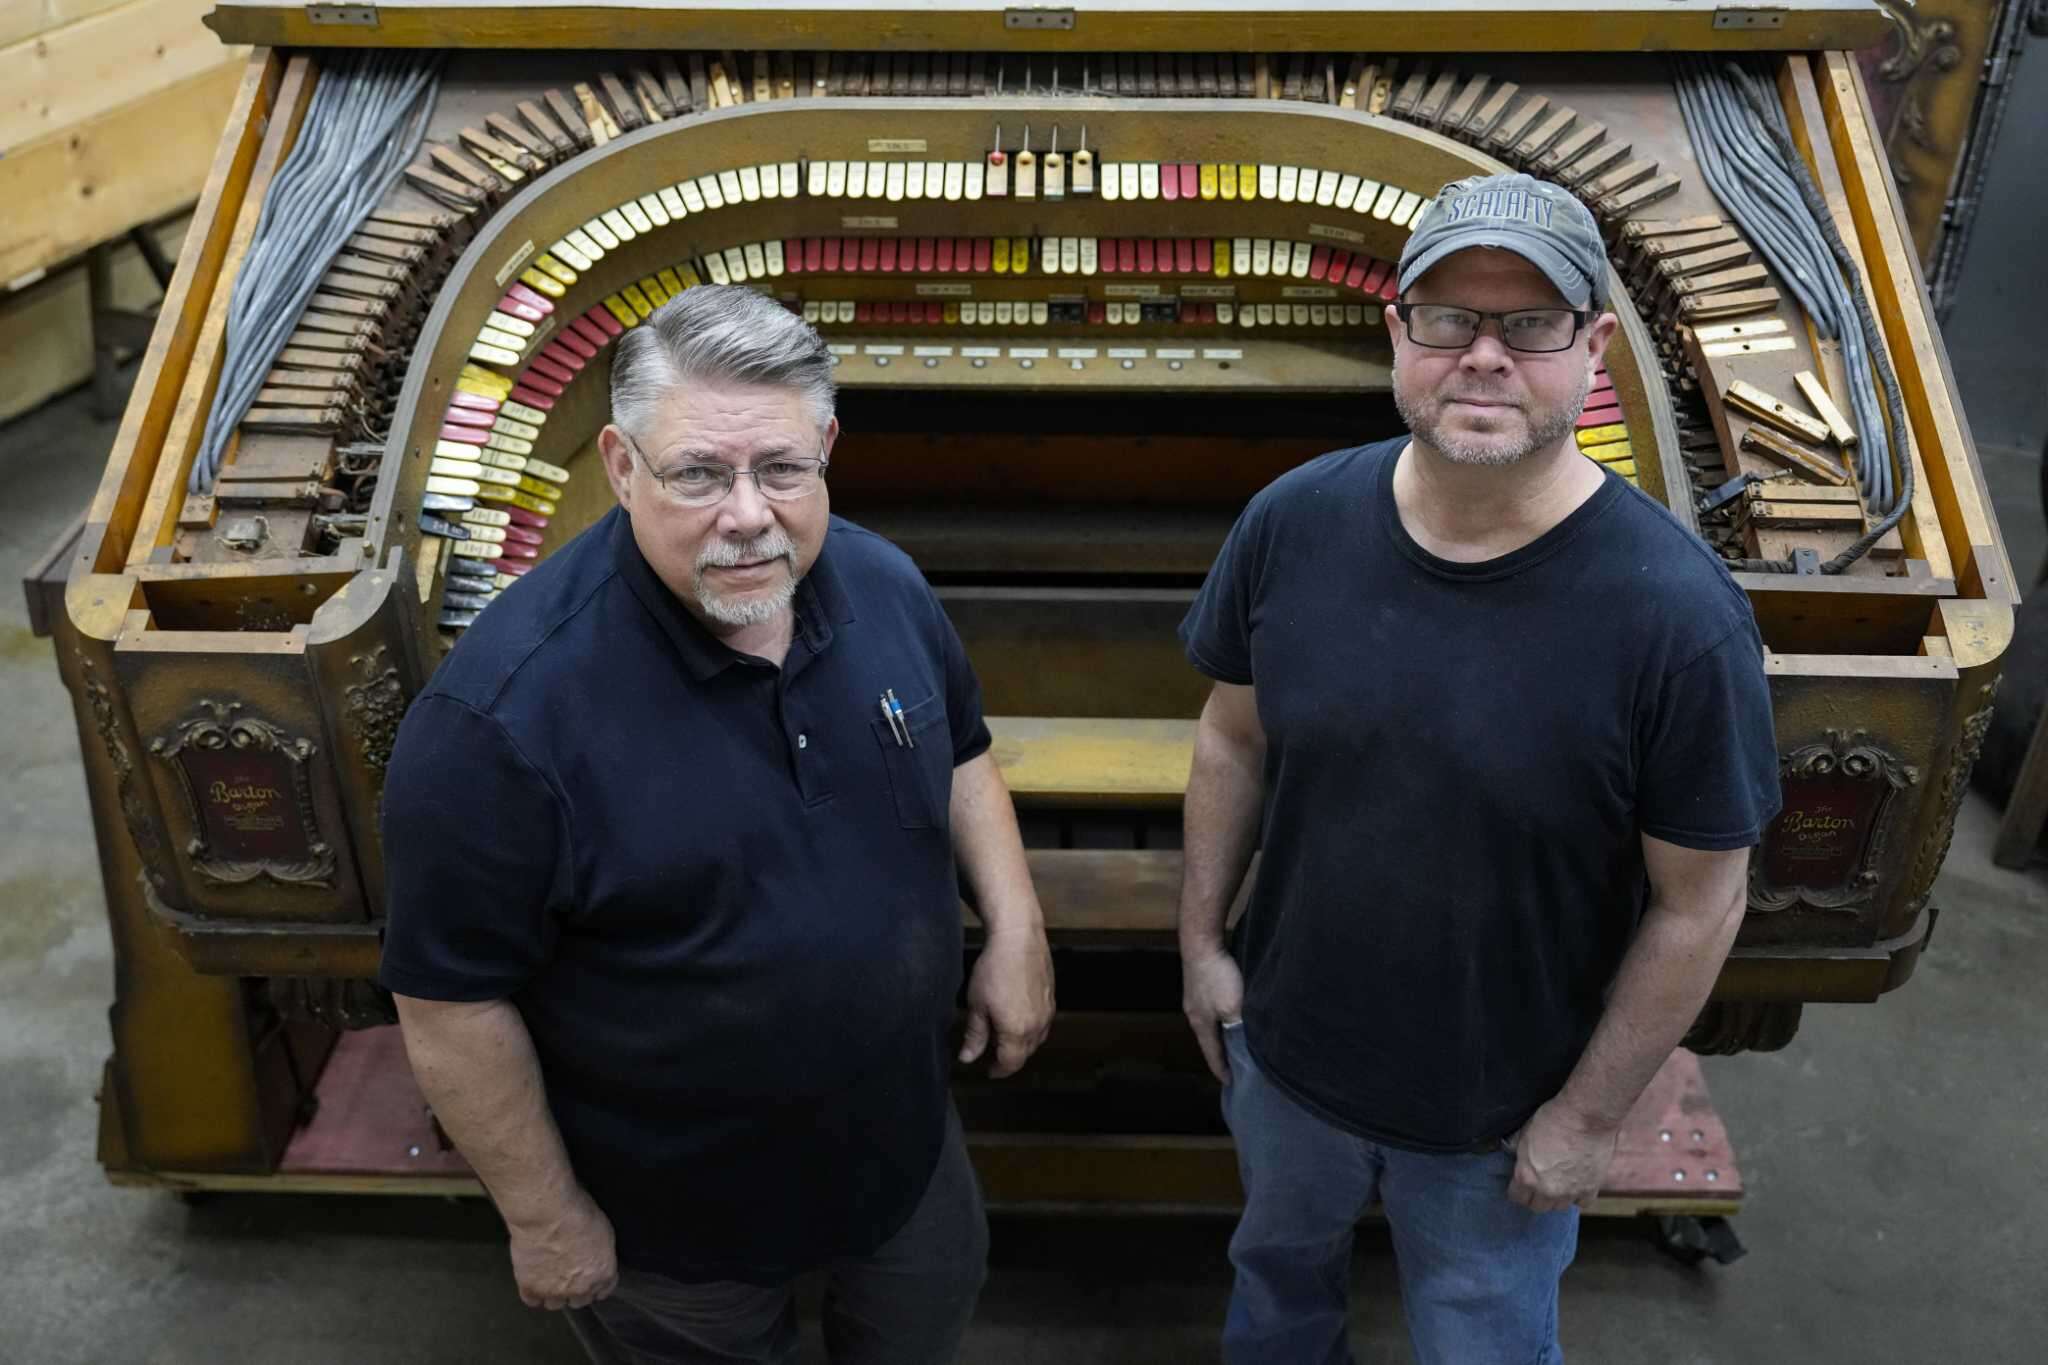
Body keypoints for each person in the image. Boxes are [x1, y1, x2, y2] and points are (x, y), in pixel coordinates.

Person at [377, 284, 1055, 1365]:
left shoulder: (878, 584)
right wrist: (547, 1217)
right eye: (698, 473)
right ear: (620, 464)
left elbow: (962, 752)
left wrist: (1016, 928)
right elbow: (452, 1002)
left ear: (825, 445)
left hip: (902, 1150)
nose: (748, 514)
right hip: (671, 1228)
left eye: (782, 469)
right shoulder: (499, 724)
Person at [1176, 172, 1781, 1364]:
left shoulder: (1675, 619)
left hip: (1497, 1122)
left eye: (1530, 323)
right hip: (1285, 1060)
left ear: (1592, 346)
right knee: (1275, 1292)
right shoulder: (1291, 523)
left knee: (1481, 1338)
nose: (1484, 356)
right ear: (1397, 331)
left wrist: (1586, 1117)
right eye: (1449, 318)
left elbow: (1699, 903)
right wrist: (1202, 946)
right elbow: (1229, 737)